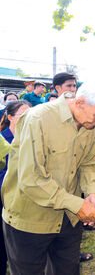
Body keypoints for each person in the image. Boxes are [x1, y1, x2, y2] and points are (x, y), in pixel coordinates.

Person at [2, 81, 95, 275]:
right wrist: (78, 205)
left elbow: (91, 163)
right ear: (80, 102)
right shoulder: (38, 119)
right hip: (30, 218)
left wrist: (90, 194)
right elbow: (31, 179)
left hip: (68, 219)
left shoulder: (91, 123)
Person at [0, 100, 31, 275]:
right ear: (10, 117)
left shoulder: (31, 139)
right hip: (5, 200)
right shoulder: (3, 140)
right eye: (23, 114)